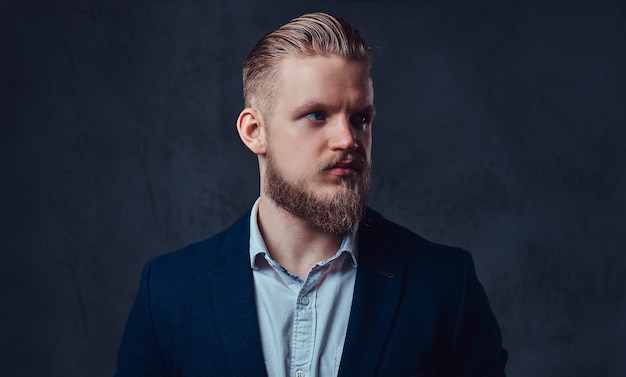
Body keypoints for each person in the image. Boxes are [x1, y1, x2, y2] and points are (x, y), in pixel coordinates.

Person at [115, 12, 508, 377]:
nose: (348, 139)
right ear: (255, 131)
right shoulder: (169, 292)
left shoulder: (443, 286)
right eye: (317, 115)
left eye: (361, 118)